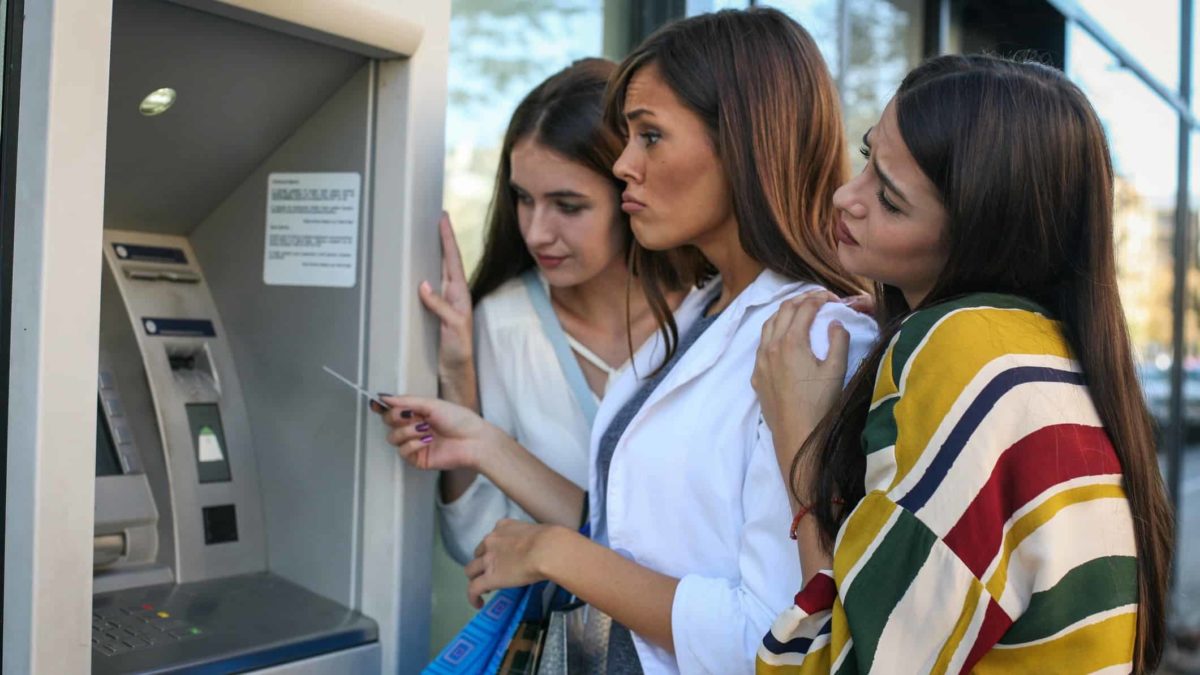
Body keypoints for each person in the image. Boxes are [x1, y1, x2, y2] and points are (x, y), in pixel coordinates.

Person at [379, 9, 877, 674]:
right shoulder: (705, 309)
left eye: (650, 136)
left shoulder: (817, 339)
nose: (623, 164)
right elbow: (631, 534)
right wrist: (481, 441)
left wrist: (555, 552)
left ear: (743, 145)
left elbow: (772, 635)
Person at [753, 54, 1174, 673]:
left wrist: (800, 443)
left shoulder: (963, 352)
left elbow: (849, 661)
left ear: (982, 235)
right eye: (868, 156)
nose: (846, 197)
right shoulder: (1051, 352)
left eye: (890, 200)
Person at [382, 58, 698, 565]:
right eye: (523, 199)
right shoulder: (503, 323)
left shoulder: (712, 315)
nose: (535, 232)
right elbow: (475, 543)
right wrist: (459, 378)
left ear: (631, 191)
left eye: (568, 206)